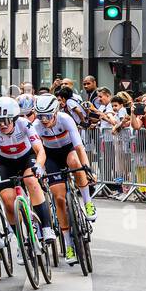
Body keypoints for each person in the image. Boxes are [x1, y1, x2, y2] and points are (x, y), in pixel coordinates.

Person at [0, 97, 57, 259]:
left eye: (6, 120)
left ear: (14, 118)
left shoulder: (24, 124)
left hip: (26, 158)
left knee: (30, 180)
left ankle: (46, 227)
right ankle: (21, 242)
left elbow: (40, 151)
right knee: (7, 200)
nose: (1, 125)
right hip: (6, 162)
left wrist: (38, 166)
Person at [31, 94, 94, 265]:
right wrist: (40, 171)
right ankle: (68, 244)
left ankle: (88, 203)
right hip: (51, 156)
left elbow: (79, 147)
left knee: (75, 162)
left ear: (56, 112)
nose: (44, 120)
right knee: (58, 198)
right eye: (40, 116)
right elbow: (38, 153)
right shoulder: (36, 126)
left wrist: (87, 167)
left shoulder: (65, 119)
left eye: (48, 116)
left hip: (68, 150)